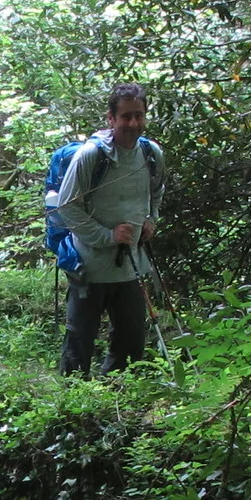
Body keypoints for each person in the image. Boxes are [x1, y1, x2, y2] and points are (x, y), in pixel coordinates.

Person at [51, 83, 164, 375]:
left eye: (138, 116)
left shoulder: (151, 154)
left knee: (131, 341)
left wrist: (151, 219)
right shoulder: (91, 155)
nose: (133, 123)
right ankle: (72, 406)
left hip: (131, 265)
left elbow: (156, 191)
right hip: (89, 264)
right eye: (126, 116)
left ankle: (118, 402)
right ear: (111, 119)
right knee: (80, 339)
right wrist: (107, 236)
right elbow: (66, 206)